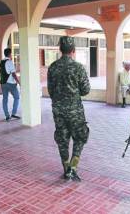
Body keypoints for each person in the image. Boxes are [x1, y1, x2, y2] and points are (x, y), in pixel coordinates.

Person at [47, 36, 90, 182]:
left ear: (60, 49)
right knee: (80, 136)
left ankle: (66, 169)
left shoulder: (53, 67)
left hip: (58, 110)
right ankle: (73, 166)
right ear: (73, 50)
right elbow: (85, 90)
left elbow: (51, 90)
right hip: (75, 110)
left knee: (62, 139)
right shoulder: (78, 67)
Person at [0, 48, 21, 121]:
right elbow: (13, 74)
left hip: (3, 83)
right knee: (17, 97)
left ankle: (7, 116)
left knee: (5, 99)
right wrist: (18, 82)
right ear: (9, 54)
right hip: (11, 83)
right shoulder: (9, 62)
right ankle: (13, 113)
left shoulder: (1, 62)